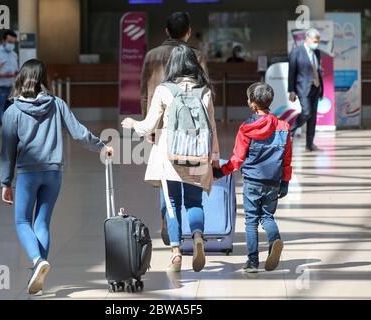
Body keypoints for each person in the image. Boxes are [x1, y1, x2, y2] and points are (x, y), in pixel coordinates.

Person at [0, 59, 113, 294]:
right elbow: (78, 132)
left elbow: (8, 151)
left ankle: (37, 261)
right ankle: (37, 278)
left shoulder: (12, 111)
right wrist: (101, 146)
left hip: (28, 173)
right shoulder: (56, 103)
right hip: (53, 173)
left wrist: (5, 182)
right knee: (42, 222)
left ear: (21, 78)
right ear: (44, 79)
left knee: (22, 222)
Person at [122, 45, 220, 273]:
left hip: (170, 156)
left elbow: (149, 125)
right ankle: (197, 237)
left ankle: (176, 253)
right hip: (198, 154)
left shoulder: (164, 90)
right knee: (194, 202)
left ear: (172, 65)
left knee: (172, 203)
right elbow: (212, 127)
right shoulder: (204, 90)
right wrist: (213, 157)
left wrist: (132, 124)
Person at [140, 11, 208, 247]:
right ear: (188, 32)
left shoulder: (151, 55)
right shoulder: (197, 55)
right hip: (193, 131)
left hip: (161, 126)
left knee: (166, 177)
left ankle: (167, 221)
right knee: (190, 180)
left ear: (166, 31)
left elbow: (144, 92)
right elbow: (204, 96)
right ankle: (197, 232)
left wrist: (148, 124)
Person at [213, 82, 292, 273]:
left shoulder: (246, 128)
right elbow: (287, 157)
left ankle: (252, 262)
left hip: (252, 182)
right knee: (267, 216)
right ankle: (275, 240)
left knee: (251, 221)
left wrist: (221, 172)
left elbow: (238, 159)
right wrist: (286, 181)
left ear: (253, 104)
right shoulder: (283, 126)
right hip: (273, 181)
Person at [288, 28, 324, 152]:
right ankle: (290, 131)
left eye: (318, 41)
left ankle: (310, 144)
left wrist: (320, 86)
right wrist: (291, 90)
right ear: (307, 39)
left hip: (316, 87)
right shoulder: (296, 52)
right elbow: (291, 72)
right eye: (315, 41)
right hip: (302, 88)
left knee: (313, 117)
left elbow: (318, 70)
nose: (316, 43)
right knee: (306, 112)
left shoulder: (317, 53)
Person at [0, 30, 19, 156]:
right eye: (9, 42)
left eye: (13, 42)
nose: (11, 45)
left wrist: (16, 75)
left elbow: (16, 70)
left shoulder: (14, 54)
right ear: (3, 41)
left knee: (12, 118)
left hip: (11, 89)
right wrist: (3, 75)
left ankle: (11, 144)